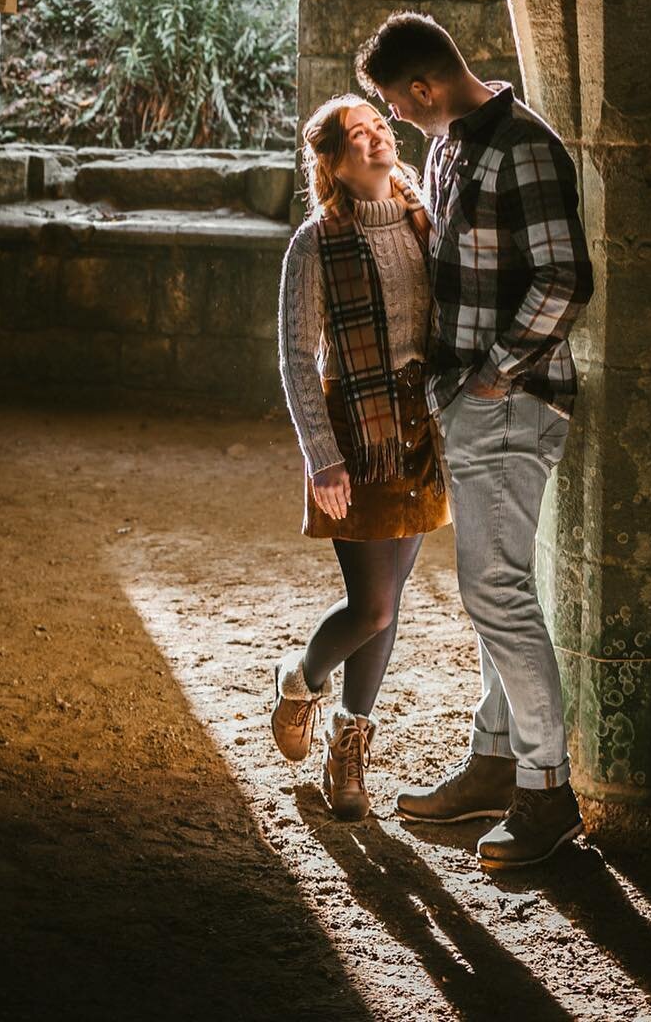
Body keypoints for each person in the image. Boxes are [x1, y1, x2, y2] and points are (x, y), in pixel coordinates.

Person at [356, 12, 595, 871]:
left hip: (512, 400)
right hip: (468, 401)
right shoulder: (452, 143)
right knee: (500, 581)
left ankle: (546, 790)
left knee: (494, 590)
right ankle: (496, 760)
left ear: (425, 86)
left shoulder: (524, 146)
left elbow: (568, 276)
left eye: (398, 104)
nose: (401, 120)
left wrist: (494, 372)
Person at [270, 93, 450, 822]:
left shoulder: (422, 219)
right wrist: (322, 455)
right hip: (356, 433)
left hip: (418, 428)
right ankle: (299, 678)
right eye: (359, 135)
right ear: (335, 163)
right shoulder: (314, 244)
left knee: (390, 600)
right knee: (373, 604)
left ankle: (349, 752)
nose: (378, 138)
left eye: (380, 126)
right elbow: (294, 356)